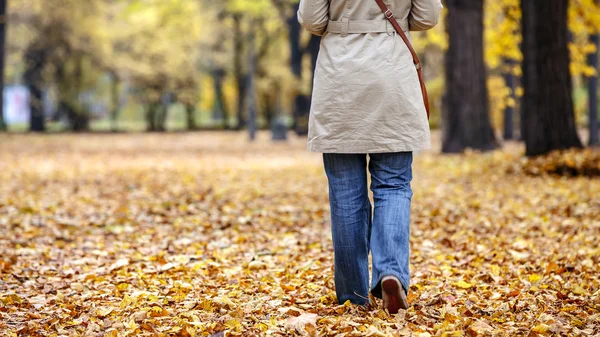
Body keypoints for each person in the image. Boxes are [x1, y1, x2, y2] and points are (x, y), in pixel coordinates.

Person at [297, 0, 443, 314]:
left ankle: (352, 295)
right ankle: (391, 273)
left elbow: (311, 19)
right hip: (392, 76)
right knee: (393, 186)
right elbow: (429, 16)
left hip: (341, 78)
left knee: (346, 193)